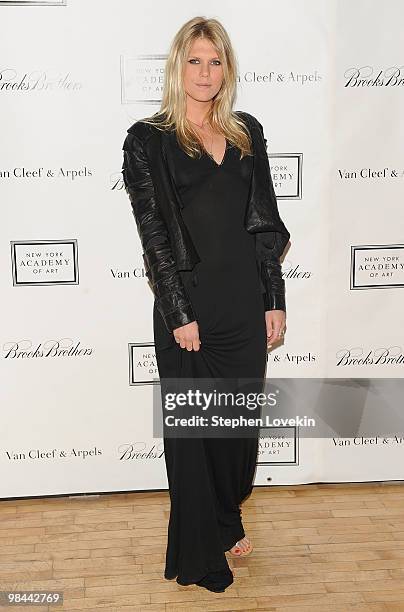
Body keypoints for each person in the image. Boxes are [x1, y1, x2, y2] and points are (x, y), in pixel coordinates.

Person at [122, 16, 290, 593]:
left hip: (245, 304)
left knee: (235, 432)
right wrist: (176, 314)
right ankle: (200, 549)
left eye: (215, 61)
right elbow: (155, 236)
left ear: (227, 69)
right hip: (189, 307)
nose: (205, 72)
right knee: (195, 434)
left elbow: (264, 225)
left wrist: (274, 298)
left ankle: (227, 515)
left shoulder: (247, 132)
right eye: (194, 60)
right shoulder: (148, 140)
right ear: (177, 66)